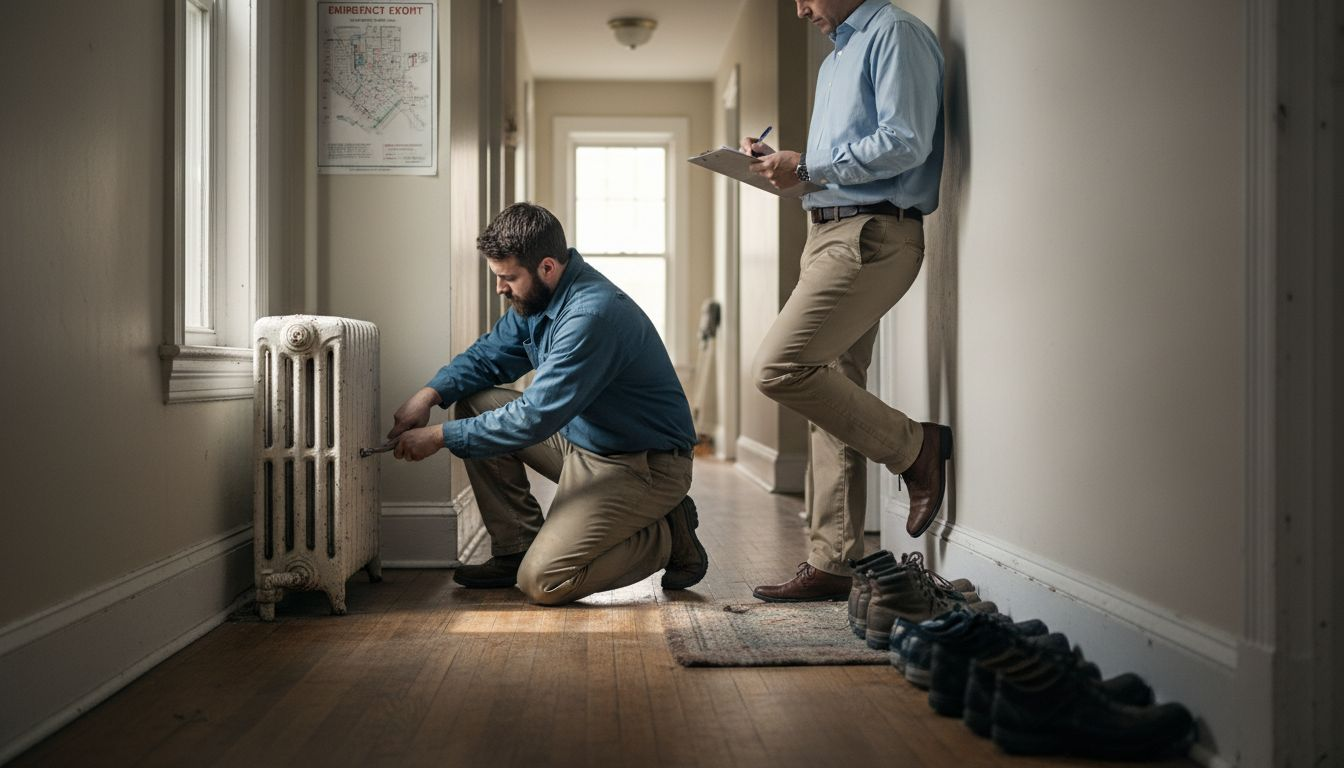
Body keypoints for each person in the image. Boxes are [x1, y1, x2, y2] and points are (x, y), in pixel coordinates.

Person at [386, 202, 707, 605]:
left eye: (508, 278)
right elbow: (488, 357)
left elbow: (533, 417)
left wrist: (439, 436)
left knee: (544, 581)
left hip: (644, 464)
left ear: (548, 267)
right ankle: (515, 547)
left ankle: (668, 535)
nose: (500, 288)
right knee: (475, 404)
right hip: (586, 441)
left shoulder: (591, 316)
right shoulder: (537, 299)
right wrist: (429, 395)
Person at [745, 0, 951, 602]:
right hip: (825, 232)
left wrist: (806, 164)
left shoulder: (896, 34)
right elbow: (837, 163)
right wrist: (785, 165)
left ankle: (915, 447)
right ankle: (833, 560)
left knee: (779, 367)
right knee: (829, 386)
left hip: (872, 234)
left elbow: (905, 141)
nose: (800, 9)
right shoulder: (835, 60)